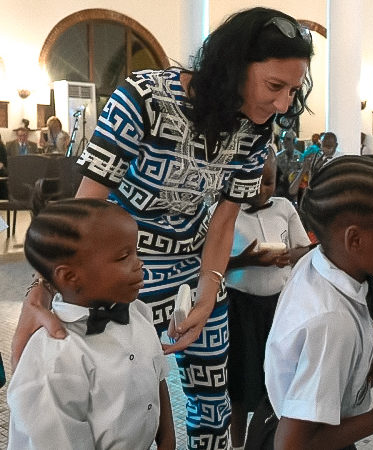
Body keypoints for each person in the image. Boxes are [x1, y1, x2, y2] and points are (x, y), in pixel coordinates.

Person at [12, 8, 314, 449]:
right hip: (122, 266)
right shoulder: (145, 99)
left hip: (196, 264)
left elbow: (225, 217)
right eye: (274, 86)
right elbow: (88, 202)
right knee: (123, 387)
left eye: (292, 89)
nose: (284, 104)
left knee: (213, 401)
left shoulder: (255, 130)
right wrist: (43, 287)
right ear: (232, 66)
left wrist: (209, 293)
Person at [262, 156, 373, 449]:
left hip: (306, 420)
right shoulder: (332, 323)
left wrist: (365, 347)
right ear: (355, 240)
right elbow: (291, 445)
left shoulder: (321, 260)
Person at [8, 198, 174, 449]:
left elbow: (158, 377)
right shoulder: (55, 358)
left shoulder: (138, 313)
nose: (139, 263)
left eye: (136, 252)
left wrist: (167, 440)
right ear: (70, 276)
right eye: (123, 256)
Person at [219, 156, 312, 449]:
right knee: (239, 381)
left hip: (278, 307)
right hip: (239, 307)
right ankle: (236, 443)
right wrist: (245, 260)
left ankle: (265, 441)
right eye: (252, 182)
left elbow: (304, 250)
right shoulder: (223, 212)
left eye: (268, 182)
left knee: (274, 377)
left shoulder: (284, 208)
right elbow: (211, 265)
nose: (260, 189)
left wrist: (286, 257)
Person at [275, 129, 303, 198]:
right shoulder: (277, 157)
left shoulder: (301, 157)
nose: (285, 141)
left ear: (294, 141)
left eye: (288, 139)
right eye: (283, 139)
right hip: (280, 189)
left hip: (295, 188)